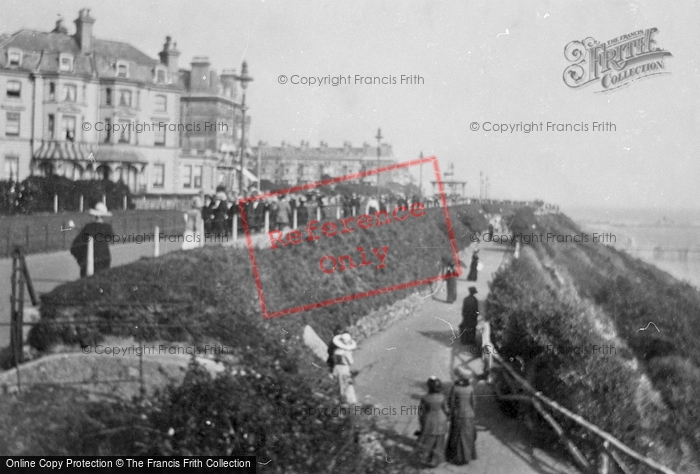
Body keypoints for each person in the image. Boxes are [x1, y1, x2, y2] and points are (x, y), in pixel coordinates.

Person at [70, 203, 114, 278]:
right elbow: (111, 237)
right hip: (104, 258)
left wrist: (80, 259)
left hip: (87, 260)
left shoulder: (88, 227)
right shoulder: (107, 227)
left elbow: (75, 246)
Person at [446, 369, 477, 465]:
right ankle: (467, 456)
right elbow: (473, 403)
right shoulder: (470, 388)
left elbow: (451, 403)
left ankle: (456, 457)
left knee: (457, 435)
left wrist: (451, 413)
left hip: (458, 414)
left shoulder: (455, 388)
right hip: (469, 415)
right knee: (467, 436)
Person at [416, 377, 449, 468]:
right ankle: (436, 460)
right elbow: (446, 410)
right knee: (440, 441)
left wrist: (421, 423)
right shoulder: (442, 397)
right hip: (441, 419)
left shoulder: (425, 398)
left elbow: (421, 412)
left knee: (429, 440)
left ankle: (426, 459)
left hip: (429, 420)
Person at [332, 333, 358, 404]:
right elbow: (351, 362)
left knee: (339, 385)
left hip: (336, 368)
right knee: (347, 385)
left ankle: (341, 400)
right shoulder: (346, 352)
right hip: (344, 369)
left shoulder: (336, 351)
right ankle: (350, 401)